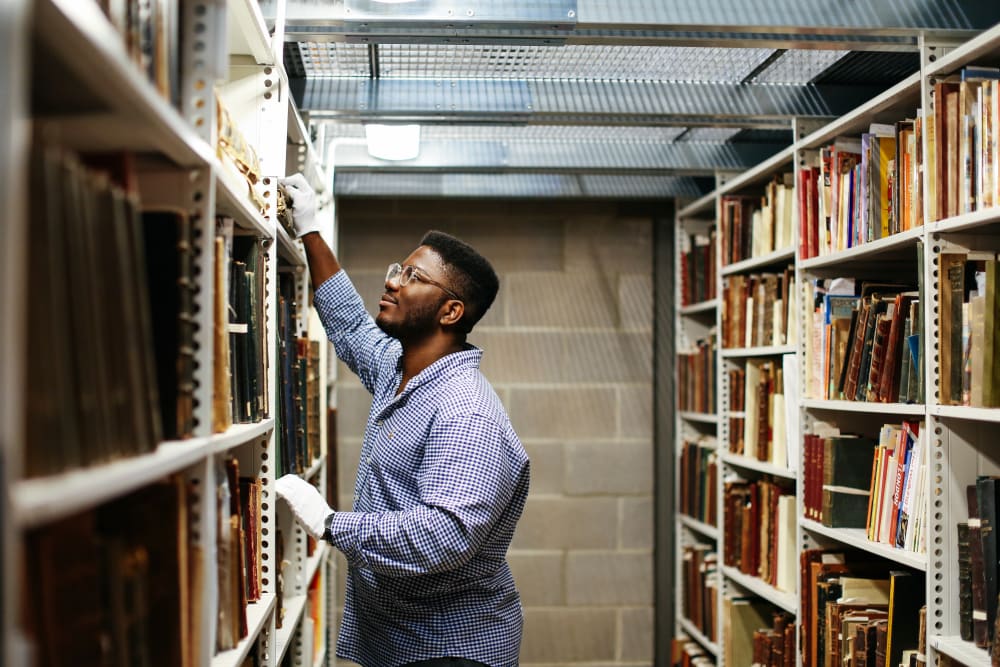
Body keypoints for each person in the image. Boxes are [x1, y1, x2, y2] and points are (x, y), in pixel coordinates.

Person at [273, 174, 530, 667]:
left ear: (451, 311)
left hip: (449, 651)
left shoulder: (465, 411)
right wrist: (309, 231)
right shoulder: (402, 371)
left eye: (413, 277)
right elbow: (349, 325)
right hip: (397, 642)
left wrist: (331, 524)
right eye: (399, 268)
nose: (392, 281)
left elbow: (442, 535)